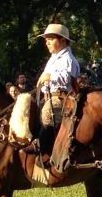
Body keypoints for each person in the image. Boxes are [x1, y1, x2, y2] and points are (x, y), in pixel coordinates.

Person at [24, 23, 80, 156]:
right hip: (48, 96)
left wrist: (49, 76)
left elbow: (66, 78)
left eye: (50, 39)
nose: (47, 42)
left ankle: (43, 146)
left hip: (61, 98)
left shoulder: (68, 59)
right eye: (46, 40)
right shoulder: (53, 58)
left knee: (48, 113)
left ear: (62, 40)